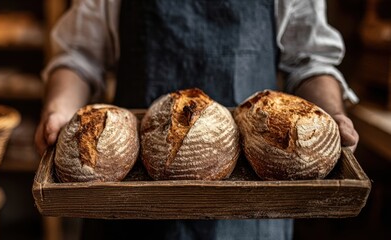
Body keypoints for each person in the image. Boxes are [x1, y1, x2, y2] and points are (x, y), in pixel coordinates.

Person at [35, 0, 360, 239]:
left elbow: (310, 60)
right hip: (127, 205)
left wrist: (332, 115)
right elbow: (79, 55)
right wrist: (58, 110)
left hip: (252, 210)